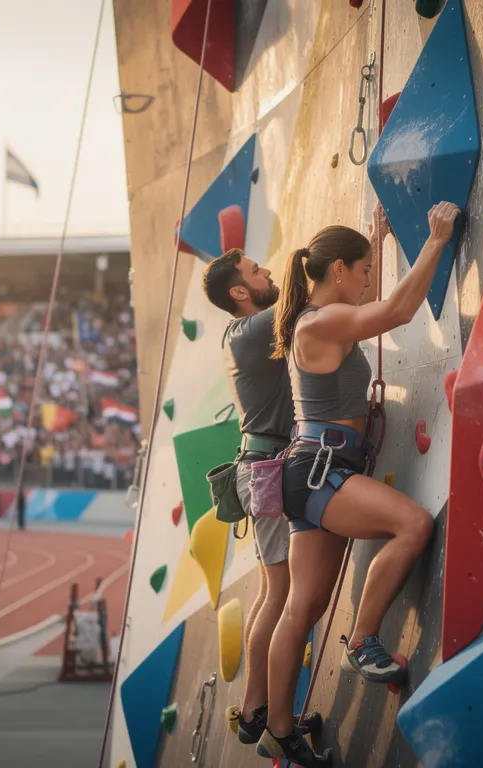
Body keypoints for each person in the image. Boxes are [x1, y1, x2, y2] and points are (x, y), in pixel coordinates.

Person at [257, 202, 460, 766]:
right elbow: (395, 311)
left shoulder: (322, 318)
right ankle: (364, 639)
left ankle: (278, 729)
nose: (369, 278)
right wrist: (436, 240)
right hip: (321, 472)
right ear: (339, 271)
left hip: (312, 471)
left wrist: (376, 239)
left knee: (304, 606)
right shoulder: (319, 323)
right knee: (413, 525)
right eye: (363, 269)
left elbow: (372, 303)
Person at [200, 248, 321, 749]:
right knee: (279, 592)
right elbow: (309, 298)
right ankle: (258, 711)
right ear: (239, 292)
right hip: (269, 468)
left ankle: (259, 709)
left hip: (262, 465)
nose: (265, 271)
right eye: (255, 271)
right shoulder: (251, 330)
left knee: (274, 590)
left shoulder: (239, 333)